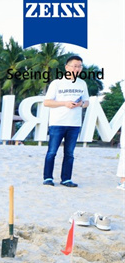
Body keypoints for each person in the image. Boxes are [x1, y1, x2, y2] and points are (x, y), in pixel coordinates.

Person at [42, 55, 89, 187]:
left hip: (74, 124)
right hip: (57, 123)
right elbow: (47, 102)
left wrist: (80, 104)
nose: (77, 69)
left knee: (69, 153)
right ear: (67, 67)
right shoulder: (57, 83)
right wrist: (64, 103)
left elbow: (87, 102)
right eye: (74, 66)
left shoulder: (82, 83)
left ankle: (66, 179)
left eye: (79, 66)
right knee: (52, 152)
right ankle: (48, 178)